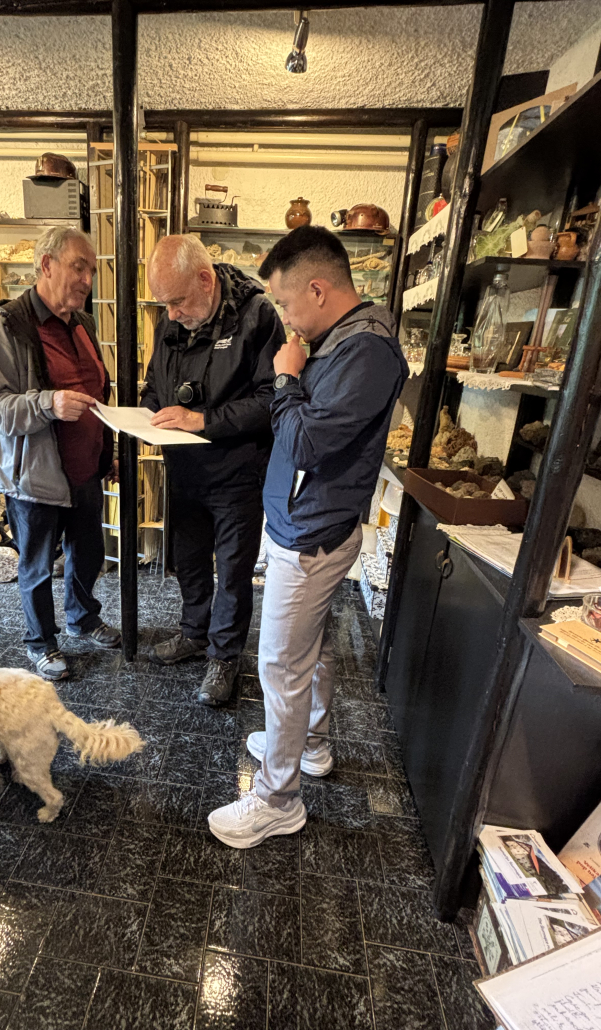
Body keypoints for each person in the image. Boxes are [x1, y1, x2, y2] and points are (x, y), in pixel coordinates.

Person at [207, 225, 409, 848]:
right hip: (307, 521)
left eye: (288, 304)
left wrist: (286, 378)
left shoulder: (365, 350)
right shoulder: (343, 340)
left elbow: (305, 443)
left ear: (318, 290)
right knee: (309, 650)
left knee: (280, 665)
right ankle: (311, 745)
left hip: (313, 531)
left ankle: (277, 799)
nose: (287, 320)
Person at [142, 235, 285, 705]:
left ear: (206, 280)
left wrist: (204, 420)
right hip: (184, 469)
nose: (171, 314)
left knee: (234, 570)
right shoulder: (172, 318)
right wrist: (146, 416)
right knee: (188, 561)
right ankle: (194, 633)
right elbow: (154, 385)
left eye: (178, 301)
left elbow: (271, 400)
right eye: (165, 304)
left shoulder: (258, 316)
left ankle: (224, 657)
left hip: (236, 473)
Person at [0, 225, 120, 682]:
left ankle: (82, 618)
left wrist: (107, 449)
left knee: (88, 552)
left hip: (84, 470)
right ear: (46, 264)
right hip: (35, 477)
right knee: (37, 565)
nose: (87, 280)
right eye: (79, 268)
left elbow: (96, 393)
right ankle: (41, 643)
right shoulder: (6, 327)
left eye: (91, 271)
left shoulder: (83, 324)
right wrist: (47, 403)